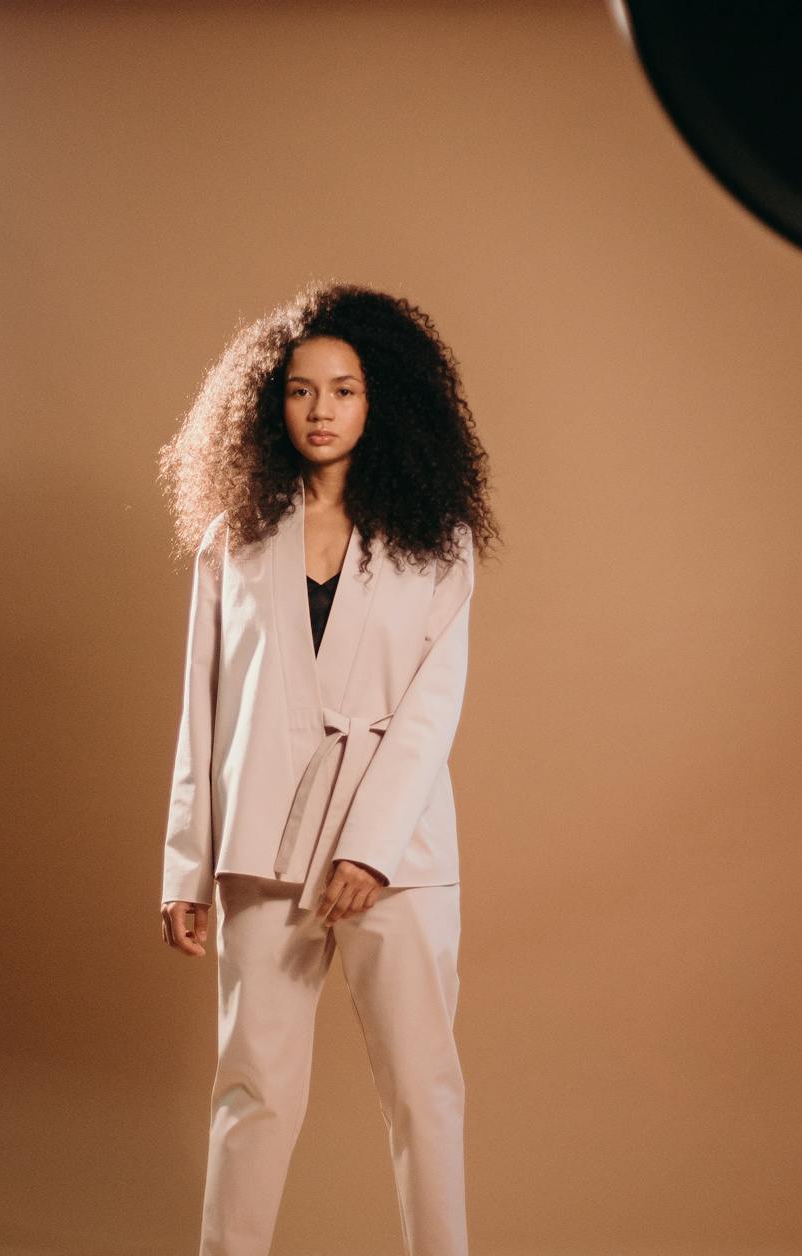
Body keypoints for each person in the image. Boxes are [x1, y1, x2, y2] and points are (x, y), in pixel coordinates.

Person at [155, 280, 496, 1256]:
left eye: (342, 389)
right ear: (272, 402)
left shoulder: (438, 545)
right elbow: (202, 707)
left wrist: (370, 851)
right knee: (251, 1088)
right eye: (301, 390)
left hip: (397, 851)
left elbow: (433, 709)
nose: (320, 409)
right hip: (259, 845)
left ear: (378, 398)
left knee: (424, 1090)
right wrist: (185, 864)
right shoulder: (233, 540)